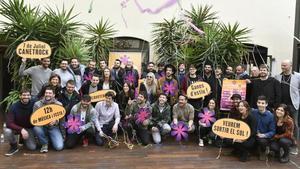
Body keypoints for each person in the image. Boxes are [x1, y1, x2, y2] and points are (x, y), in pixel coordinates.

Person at [275, 59, 300, 155]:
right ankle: (281, 145)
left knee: (295, 125)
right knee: (280, 123)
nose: (283, 67)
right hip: (282, 106)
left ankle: (294, 146)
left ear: (290, 66)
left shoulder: (298, 76)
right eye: (282, 65)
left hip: (293, 104)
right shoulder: (278, 77)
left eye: (285, 65)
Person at [4, 88, 37, 156]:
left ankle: (23, 138)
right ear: (20, 96)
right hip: (17, 127)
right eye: (24, 95)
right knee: (7, 131)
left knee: (32, 147)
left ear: (30, 96)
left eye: (28, 95)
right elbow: (9, 123)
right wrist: (21, 129)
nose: (26, 97)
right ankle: (14, 146)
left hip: (29, 128)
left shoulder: (34, 103)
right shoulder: (14, 107)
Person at [33, 87, 64, 153]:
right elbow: (34, 120)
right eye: (46, 93)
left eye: (50, 93)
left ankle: (49, 138)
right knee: (36, 128)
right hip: (42, 127)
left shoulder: (59, 104)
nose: (48, 94)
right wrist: (45, 121)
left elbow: (62, 121)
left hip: (53, 127)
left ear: (53, 95)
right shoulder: (37, 104)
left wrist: (56, 121)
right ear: (44, 94)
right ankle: (44, 144)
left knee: (59, 147)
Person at [251, 96, 276, 160]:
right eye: (259, 102)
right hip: (254, 134)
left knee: (262, 142)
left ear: (266, 104)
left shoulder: (271, 116)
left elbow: (272, 131)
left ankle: (263, 151)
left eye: (262, 103)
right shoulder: (253, 112)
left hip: (264, 136)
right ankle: (255, 148)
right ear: (256, 103)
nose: (260, 105)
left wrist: (264, 135)